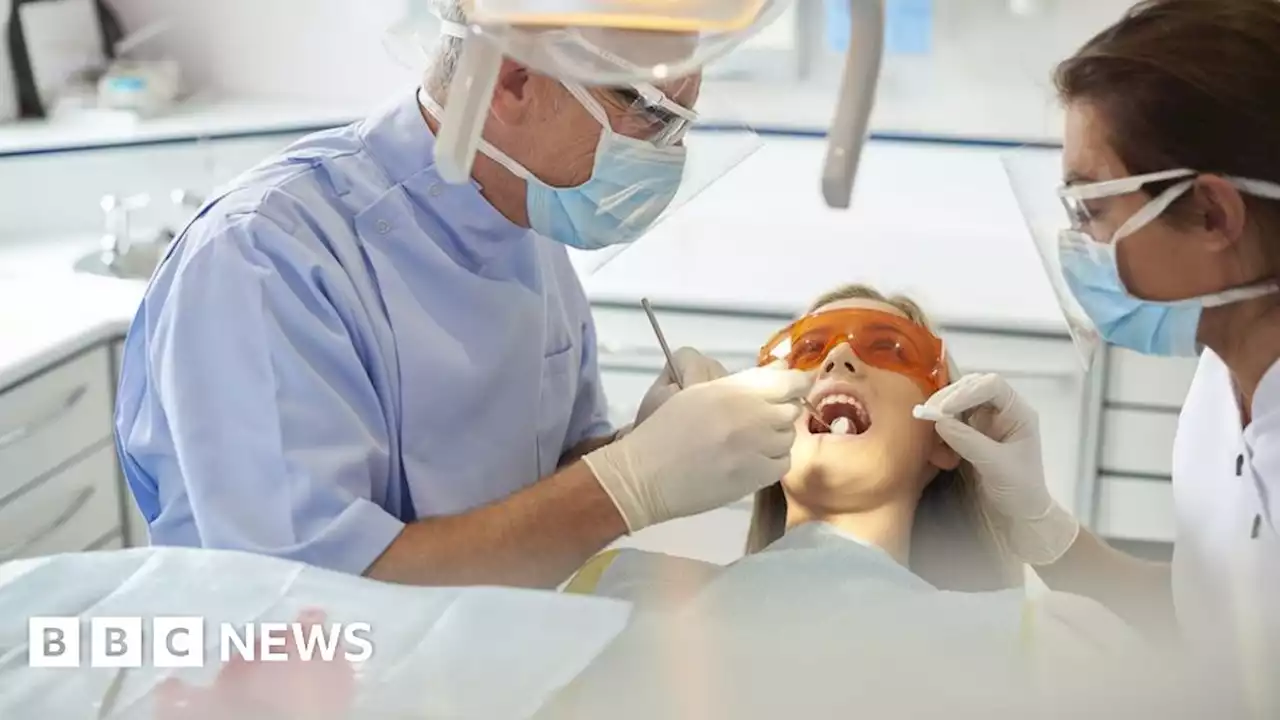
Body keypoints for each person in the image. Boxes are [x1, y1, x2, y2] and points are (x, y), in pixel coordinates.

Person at [112, 0, 811, 589]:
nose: (667, 154)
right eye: (649, 110)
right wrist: (626, 484)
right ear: (511, 80)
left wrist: (644, 444)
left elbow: (536, 482)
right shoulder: (264, 260)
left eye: (682, 122)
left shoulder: (528, 221)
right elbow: (316, 602)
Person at [544, 285, 1153, 719]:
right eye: (808, 350)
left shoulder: (1039, 648)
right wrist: (626, 459)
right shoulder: (614, 595)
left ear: (943, 441)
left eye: (889, 347)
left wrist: (1049, 528)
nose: (839, 358)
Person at [914, 0, 1280, 703]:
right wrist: (1042, 526)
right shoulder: (1218, 385)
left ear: (1212, 213)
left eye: (1092, 209)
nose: (1075, 241)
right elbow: (1210, 615)